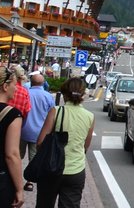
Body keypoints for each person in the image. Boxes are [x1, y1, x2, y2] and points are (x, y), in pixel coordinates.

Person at [35, 77, 94, 208]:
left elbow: (40, 142)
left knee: (44, 204)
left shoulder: (55, 111)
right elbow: (86, 145)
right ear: (82, 94)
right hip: (76, 170)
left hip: (51, 169)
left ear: (64, 94)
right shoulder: (89, 116)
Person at [20, 70, 54, 192]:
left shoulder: (25, 93)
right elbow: (52, 115)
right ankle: (29, 182)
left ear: (31, 82)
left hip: (22, 130)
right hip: (39, 133)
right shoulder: (48, 96)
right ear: (43, 83)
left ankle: (16, 180)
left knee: (17, 156)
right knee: (34, 158)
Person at [0, 67, 26, 208]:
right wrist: (19, 188)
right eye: (14, 86)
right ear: (5, 86)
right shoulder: (12, 115)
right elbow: (12, 155)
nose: (16, 89)